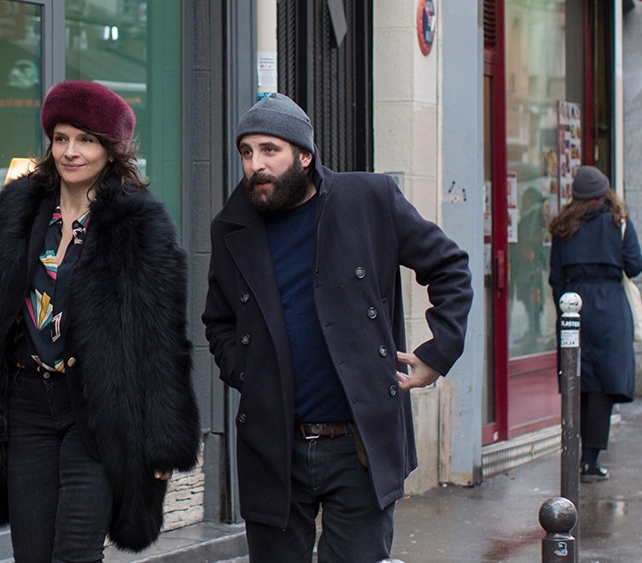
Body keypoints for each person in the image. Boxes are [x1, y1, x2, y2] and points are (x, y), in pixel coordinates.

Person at [202, 93, 473, 562]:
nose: (255, 165)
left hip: (359, 442)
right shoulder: (231, 227)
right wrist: (247, 372)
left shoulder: (368, 199)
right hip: (274, 443)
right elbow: (219, 321)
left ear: (304, 156)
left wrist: (438, 352)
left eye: (270, 150)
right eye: (247, 152)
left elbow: (449, 266)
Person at [0, 80, 201, 562]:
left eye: (85, 139)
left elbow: (163, 340)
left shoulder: (142, 226)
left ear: (111, 149)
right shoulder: (19, 210)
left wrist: (165, 438)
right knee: (32, 554)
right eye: (61, 138)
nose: (70, 151)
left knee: (76, 553)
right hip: (27, 405)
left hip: (98, 406)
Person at [549, 165, 642, 482]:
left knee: (578, 378)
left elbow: (555, 278)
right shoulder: (619, 222)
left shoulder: (563, 227)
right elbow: (635, 264)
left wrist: (565, 306)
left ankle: (574, 452)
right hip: (610, 309)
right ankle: (590, 458)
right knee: (603, 382)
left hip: (573, 304)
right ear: (604, 193)